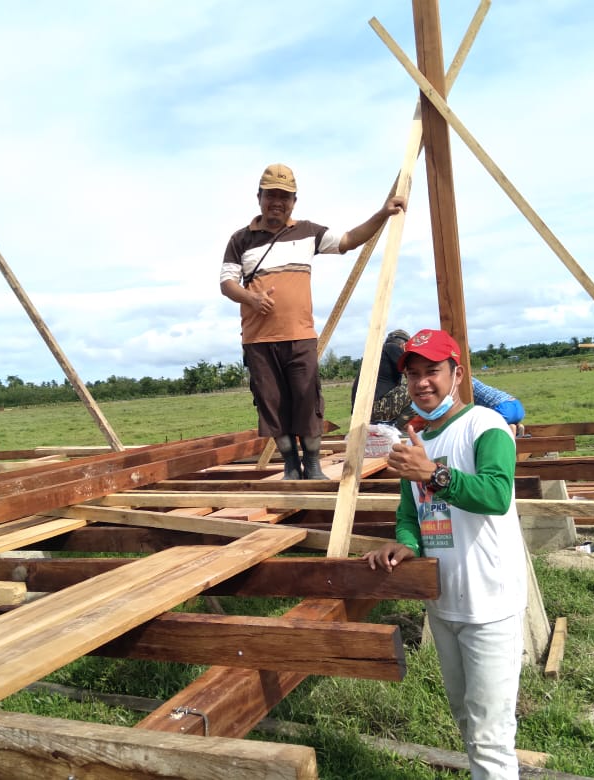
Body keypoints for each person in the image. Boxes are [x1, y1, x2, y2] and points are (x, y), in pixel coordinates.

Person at [362, 329, 525, 779]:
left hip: (490, 603)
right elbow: (410, 513)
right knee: (466, 720)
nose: (422, 383)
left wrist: (434, 474)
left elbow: (496, 494)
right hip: (443, 603)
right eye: (413, 374)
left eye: (432, 371)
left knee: (491, 735)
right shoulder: (414, 441)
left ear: (456, 373)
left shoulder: (485, 427)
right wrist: (406, 544)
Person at [219, 163, 406, 480]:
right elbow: (226, 283)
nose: (277, 202)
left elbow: (348, 239)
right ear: (259, 197)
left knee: (308, 400)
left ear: (294, 201)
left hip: (300, 335)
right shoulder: (241, 240)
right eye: (271, 195)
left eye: (285, 197)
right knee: (272, 404)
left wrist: (382, 214)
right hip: (258, 340)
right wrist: (251, 298)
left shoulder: (307, 232)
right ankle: (291, 466)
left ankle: (314, 466)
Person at [351, 328, 415, 428]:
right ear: (404, 345)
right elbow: (412, 373)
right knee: (418, 387)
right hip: (374, 409)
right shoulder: (392, 347)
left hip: (361, 413)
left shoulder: (378, 352)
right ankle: (395, 427)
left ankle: (393, 425)